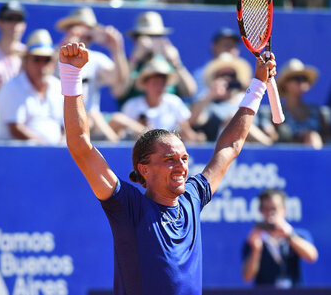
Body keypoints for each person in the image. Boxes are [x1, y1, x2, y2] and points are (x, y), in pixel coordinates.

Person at [58, 41, 276, 294]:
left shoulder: (192, 197)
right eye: (170, 159)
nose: (181, 166)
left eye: (183, 158)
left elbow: (231, 145)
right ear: (145, 169)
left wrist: (258, 84)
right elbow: (81, 147)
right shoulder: (128, 206)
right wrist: (72, 75)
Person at [56, 6, 129, 141]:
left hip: (91, 120)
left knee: (117, 120)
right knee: (93, 116)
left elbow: (118, 82)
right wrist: (69, 42)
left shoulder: (95, 58)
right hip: (59, 120)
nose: (83, 35)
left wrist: (116, 49)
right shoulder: (56, 56)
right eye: (80, 28)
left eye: (88, 31)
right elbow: (46, 66)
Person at [111, 55, 205, 143]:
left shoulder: (174, 102)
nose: (159, 87)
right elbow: (119, 125)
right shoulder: (132, 105)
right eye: (155, 83)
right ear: (145, 84)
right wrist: (139, 129)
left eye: (162, 83)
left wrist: (196, 138)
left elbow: (187, 131)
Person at [189, 52, 276, 145]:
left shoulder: (249, 101)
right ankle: (268, 146)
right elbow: (194, 121)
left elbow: (271, 133)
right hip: (225, 151)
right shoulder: (210, 106)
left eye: (232, 75)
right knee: (235, 118)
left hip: (254, 153)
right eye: (222, 75)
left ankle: (268, 147)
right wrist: (210, 94)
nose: (227, 79)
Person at [0, 29, 63, 145]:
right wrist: (48, 149)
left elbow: (66, 126)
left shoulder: (58, 87)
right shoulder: (11, 88)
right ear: (26, 61)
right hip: (16, 158)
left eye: (47, 60)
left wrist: (63, 148)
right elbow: (15, 129)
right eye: (36, 59)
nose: (42, 66)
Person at [242, 189, 318, 288]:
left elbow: (312, 256)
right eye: (266, 209)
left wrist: (289, 236)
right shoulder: (254, 239)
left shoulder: (298, 235)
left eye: (274, 209)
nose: (271, 214)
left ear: (284, 209)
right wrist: (256, 250)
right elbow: (247, 277)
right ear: (260, 211)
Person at [121, 11, 197, 106]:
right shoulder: (127, 63)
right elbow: (119, 92)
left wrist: (176, 62)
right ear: (135, 39)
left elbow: (190, 91)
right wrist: (134, 58)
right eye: (146, 36)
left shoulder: (169, 62)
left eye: (156, 36)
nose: (151, 41)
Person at [275, 58, 330, 149]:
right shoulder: (275, 113)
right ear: (285, 83)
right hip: (287, 159)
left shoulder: (318, 112)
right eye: (297, 78)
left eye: (304, 79)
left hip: (317, 161)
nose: (302, 83)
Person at [191, 27, 242, 102]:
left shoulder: (243, 75)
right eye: (226, 45)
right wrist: (211, 94)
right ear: (214, 47)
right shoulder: (200, 74)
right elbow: (195, 106)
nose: (230, 50)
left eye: (233, 46)